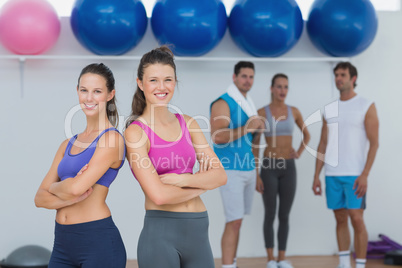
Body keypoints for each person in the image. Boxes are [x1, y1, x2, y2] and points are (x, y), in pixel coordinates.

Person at [124, 46, 227, 268]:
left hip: (199, 231)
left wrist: (183, 180)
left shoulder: (189, 123)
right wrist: (203, 184)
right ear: (140, 83)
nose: (161, 87)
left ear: (175, 81)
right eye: (153, 80)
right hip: (161, 235)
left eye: (168, 79)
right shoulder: (136, 132)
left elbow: (220, 175)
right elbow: (159, 195)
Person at [34, 63, 127, 267]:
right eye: (84, 90)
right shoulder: (67, 144)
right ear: (77, 91)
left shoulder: (112, 140)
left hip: (97, 241)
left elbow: (76, 188)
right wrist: (69, 197)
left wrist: (55, 187)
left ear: (110, 95)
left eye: (97, 91)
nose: (89, 98)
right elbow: (39, 199)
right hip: (62, 244)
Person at [312, 62, 379, 268]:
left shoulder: (366, 105)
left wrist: (365, 174)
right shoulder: (329, 109)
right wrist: (316, 175)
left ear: (353, 78)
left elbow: (374, 143)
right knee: (340, 219)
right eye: (336, 75)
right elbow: (323, 143)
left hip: (355, 174)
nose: (339, 78)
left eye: (343, 74)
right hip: (332, 174)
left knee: (356, 219)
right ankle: (343, 263)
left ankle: (359, 264)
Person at [210, 61, 264, 268]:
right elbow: (217, 136)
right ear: (234, 77)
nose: (247, 80)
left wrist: (256, 173)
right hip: (230, 169)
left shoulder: (248, 103)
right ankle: (227, 266)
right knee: (233, 221)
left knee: (238, 221)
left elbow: (252, 142)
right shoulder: (223, 102)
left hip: (248, 168)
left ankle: (231, 264)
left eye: (251, 77)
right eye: (243, 76)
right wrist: (247, 127)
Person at [254, 74, 310, 268]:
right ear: (271, 89)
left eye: (286, 87)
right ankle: (270, 259)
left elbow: (307, 135)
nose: (282, 91)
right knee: (270, 213)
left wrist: (299, 152)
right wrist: (256, 175)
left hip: (288, 166)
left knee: (284, 214)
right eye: (279, 87)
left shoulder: (294, 111)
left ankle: (281, 258)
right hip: (269, 166)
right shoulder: (262, 112)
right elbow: (255, 144)